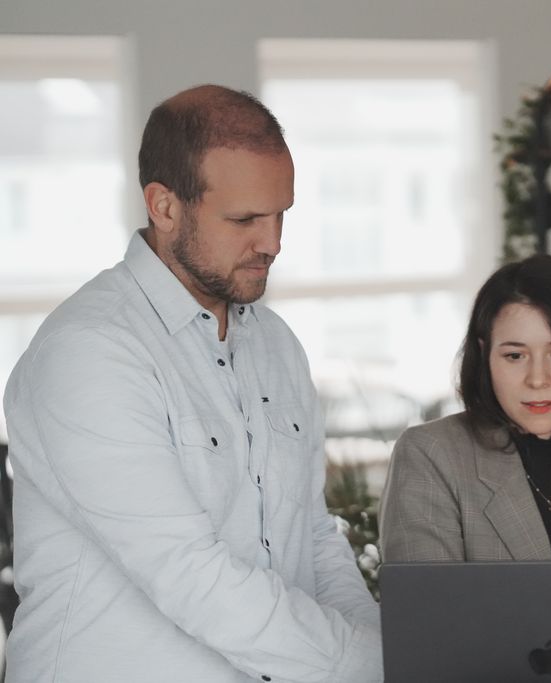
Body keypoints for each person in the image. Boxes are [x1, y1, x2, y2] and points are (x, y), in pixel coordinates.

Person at [2, 85, 382, 682]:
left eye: (281, 213)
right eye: (244, 219)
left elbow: (312, 538)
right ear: (164, 206)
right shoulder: (89, 352)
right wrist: (373, 665)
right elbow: (188, 572)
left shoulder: (277, 344)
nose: (273, 243)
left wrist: (387, 650)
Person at [379, 254, 551, 562]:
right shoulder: (432, 454)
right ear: (486, 355)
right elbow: (424, 606)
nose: (537, 379)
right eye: (515, 356)